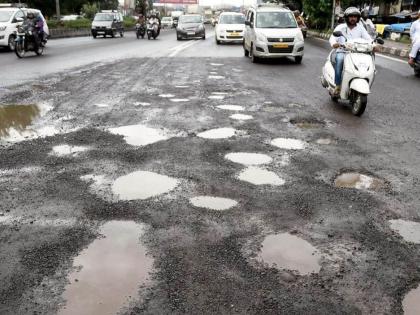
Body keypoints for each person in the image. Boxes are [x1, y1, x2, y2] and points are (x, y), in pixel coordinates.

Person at [329, 7, 372, 95]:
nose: (353, 18)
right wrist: (335, 44)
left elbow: (369, 39)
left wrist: (374, 45)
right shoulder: (341, 27)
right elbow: (332, 39)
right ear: (347, 17)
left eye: (355, 17)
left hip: (357, 53)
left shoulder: (360, 28)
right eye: (351, 16)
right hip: (343, 51)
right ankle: (337, 85)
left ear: (358, 18)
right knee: (340, 60)